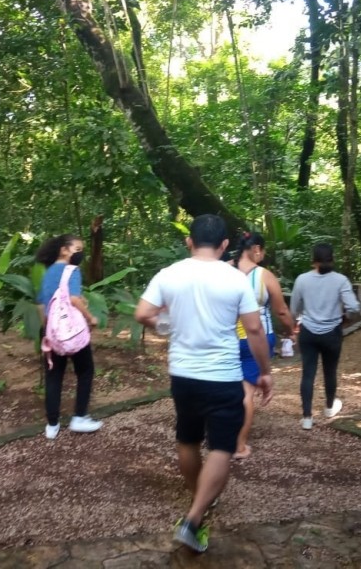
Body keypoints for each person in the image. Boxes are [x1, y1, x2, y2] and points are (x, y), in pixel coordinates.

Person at [134, 214, 273, 553]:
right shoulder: (235, 278)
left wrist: (166, 325)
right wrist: (265, 372)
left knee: (188, 438)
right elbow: (254, 329)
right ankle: (193, 519)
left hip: (182, 374)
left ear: (189, 241)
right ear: (225, 245)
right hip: (222, 376)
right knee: (222, 447)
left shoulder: (169, 274)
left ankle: (199, 499)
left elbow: (142, 313)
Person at [232, 231, 297, 459]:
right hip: (256, 336)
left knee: (226, 384)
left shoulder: (223, 269)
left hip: (224, 336)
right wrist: (292, 330)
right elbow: (281, 310)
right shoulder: (264, 275)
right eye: (263, 251)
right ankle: (239, 445)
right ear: (256, 249)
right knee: (246, 391)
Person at [36, 234, 102, 440]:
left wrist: (48, 328)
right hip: (71, 331)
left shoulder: (47, 274)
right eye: (78, 249)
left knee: (54, 375)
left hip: (52, 331)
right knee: (85, 370)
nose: (80, 253)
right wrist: (90, 317)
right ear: (64, 250)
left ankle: (52, 425)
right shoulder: (71, 270)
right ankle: (80, 417)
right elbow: (73, 299)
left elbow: (40, 305)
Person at [290, 243, 360, 430]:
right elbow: (353, 307)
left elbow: (293, 308)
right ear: (332, 259)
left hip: (308, 332)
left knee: (308, 373)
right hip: (332, 333)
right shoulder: (341, 280)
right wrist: (346, 317)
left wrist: (297, 321)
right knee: (330, 371)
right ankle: (329, 408)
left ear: (313, 260)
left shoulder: (302, 280)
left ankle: (306, 417)